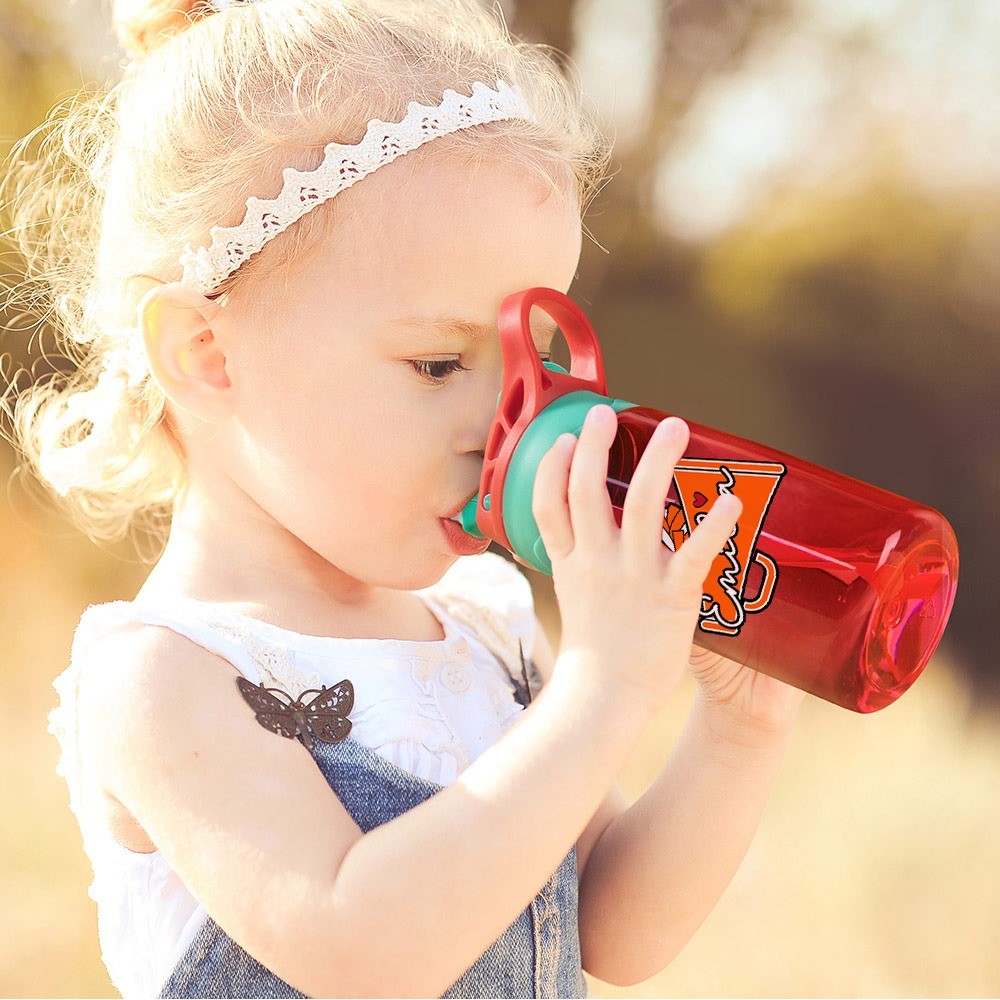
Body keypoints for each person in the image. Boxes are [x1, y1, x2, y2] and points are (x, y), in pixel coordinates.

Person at [2, 0, 804, 996]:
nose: (503, 422)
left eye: (530, 366)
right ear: (206, 355)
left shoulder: (485, 634)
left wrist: (737, 731)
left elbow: (608, 931)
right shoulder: (168, 677)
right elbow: (360, 948)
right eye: (436, 363)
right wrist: (601, 692)